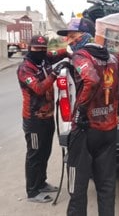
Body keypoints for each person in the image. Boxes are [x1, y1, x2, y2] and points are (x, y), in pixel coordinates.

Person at [57, 18, 119, 216]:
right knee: (106, 186)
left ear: (86, 35)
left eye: (73, 36)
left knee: (77, 187)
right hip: (108, 129)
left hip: (85, 130)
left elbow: (92, 79)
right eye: (68, 38)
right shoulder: (112, 56)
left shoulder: (81, 56)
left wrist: (80, 111)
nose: (69, 41)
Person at [16, 35, 68, 203]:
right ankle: (32, 191)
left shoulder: (45, 58)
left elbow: (60, 53)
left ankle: (42, 182)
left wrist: (71, 51)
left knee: (45, 152)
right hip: (33, 119)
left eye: (43, 49)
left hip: (48, 116)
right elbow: (38, 88)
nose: (40, 52)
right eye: (36, 49)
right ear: (29, 48)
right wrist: (54, 73)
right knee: (35, 154)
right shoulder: (25, 68)